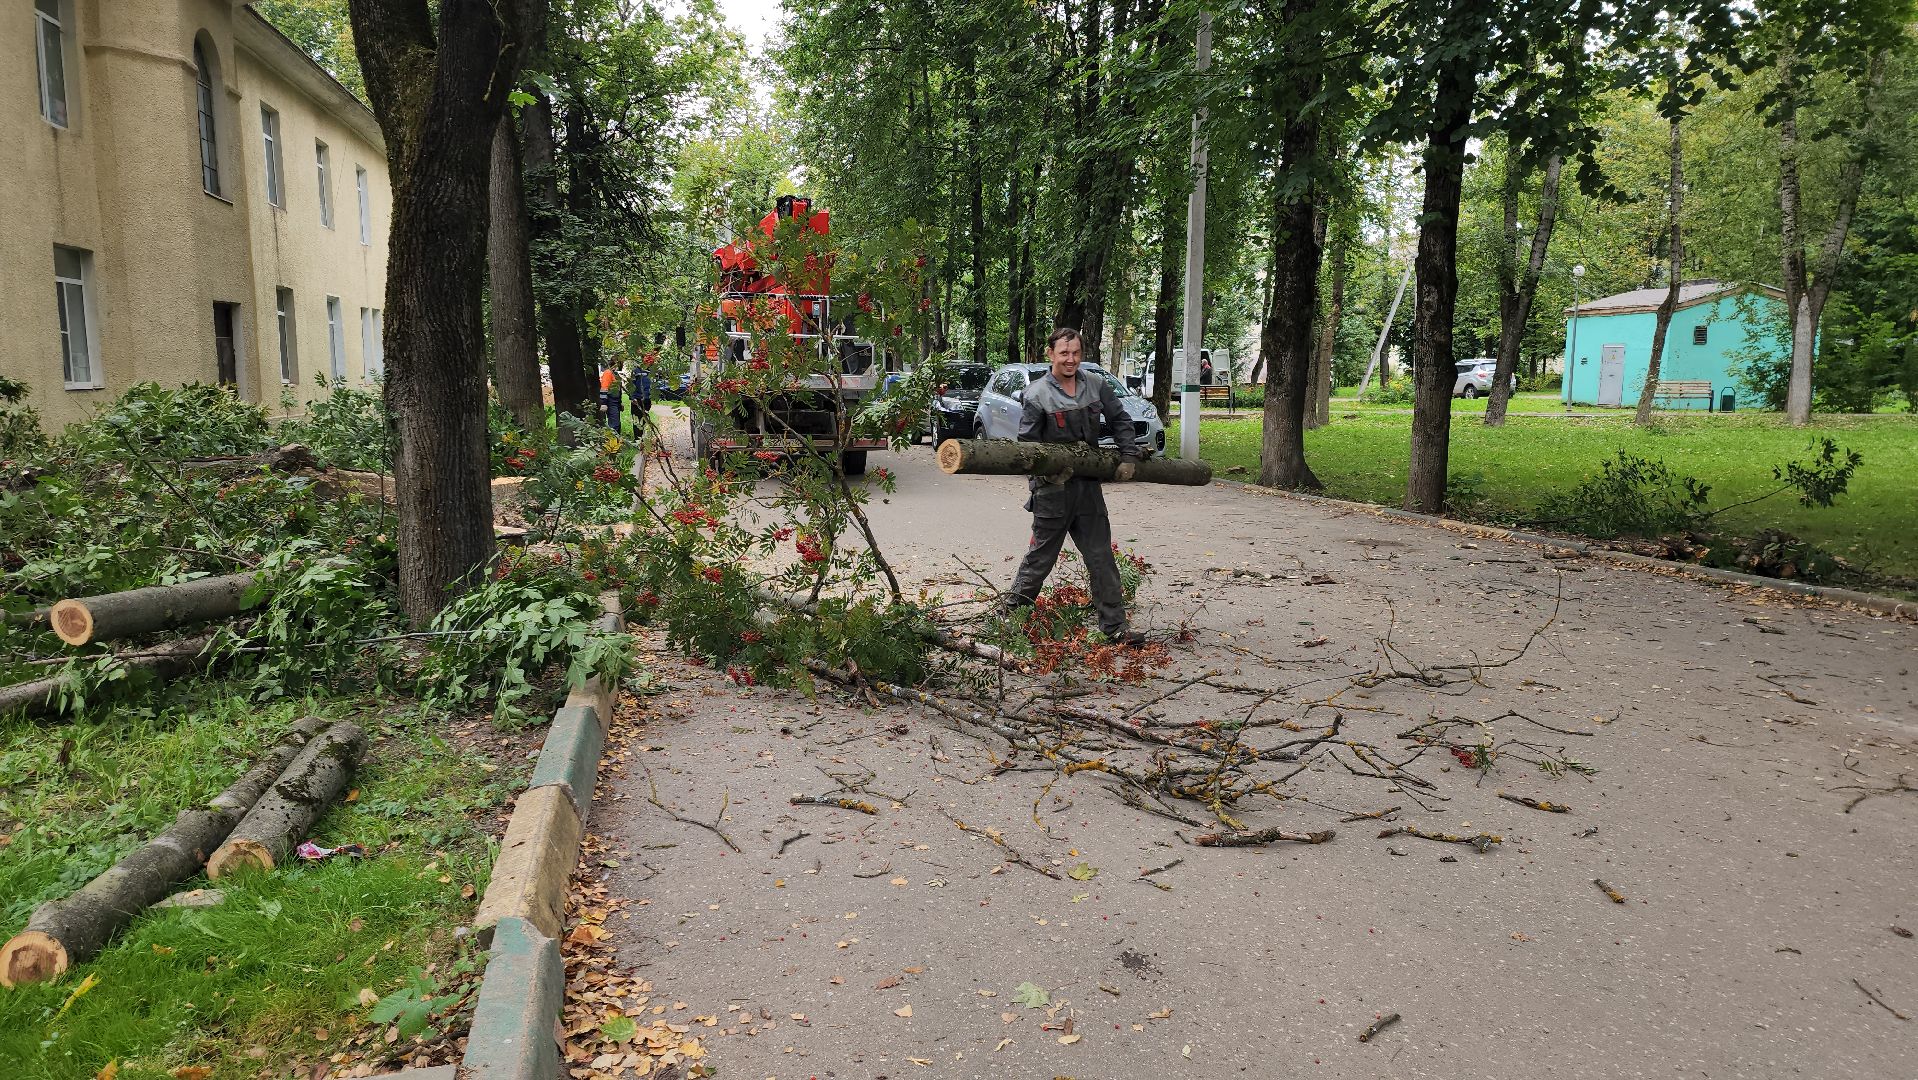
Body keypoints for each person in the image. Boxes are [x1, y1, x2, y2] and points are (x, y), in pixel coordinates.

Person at [1003, 327, 1145, 646]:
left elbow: (1121, 420)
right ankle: (1011, 623)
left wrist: (1128, 456)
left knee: (1101, 558)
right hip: (1052, 491)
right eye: (1064, 353)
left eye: (1076, 353)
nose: (1071, 359)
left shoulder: (1095, 385)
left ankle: (1114, 628)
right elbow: (1027, 447)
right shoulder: (1037, 393)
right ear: (1050, 354)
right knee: (1040, 561)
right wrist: (1040, 483)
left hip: (1088, 490)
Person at [599, 363, 623, 434]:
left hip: (615, 402)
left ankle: (617, 443)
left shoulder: (614, 374)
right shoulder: (608, 373)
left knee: (617, 424)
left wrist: (620, 402)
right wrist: (603, 403)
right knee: (614, 425)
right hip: (611, 402)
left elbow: (618, 390)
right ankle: (612, 443)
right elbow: (604, 388)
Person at [629, 363, 653, 431]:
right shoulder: (636, 370)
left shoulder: (652, 370)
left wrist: (650, 398)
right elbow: (631, 385)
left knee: (645, 420)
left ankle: (644, 439)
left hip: (647, 400)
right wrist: (632, 398)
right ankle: (638, 439)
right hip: (637, 399)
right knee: (637, 421)